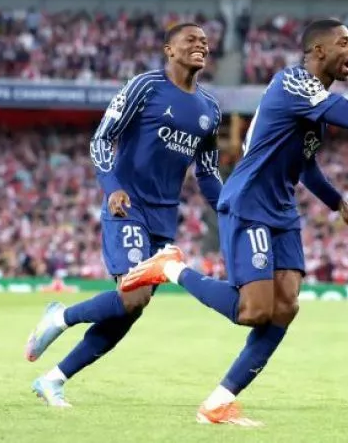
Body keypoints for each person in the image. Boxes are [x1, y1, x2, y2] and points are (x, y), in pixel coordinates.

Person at [122, 19, 348, 425]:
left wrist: (341, 206)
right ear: (319, 51)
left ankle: (218, 402)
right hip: (249, 202)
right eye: (345, 43)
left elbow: (305, 165)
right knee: (253, 311)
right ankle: (170, 267)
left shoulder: (317, 102)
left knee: (286, 306)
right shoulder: (293, 82)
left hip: (282, 210)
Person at [24, 23, 222, 407]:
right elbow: (102, 137)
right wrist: (112, 185)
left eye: (204, 41)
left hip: (165, 219)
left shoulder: (210, 108)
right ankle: (60, 317)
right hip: (127, 205)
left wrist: (230, 210)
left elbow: (209, 172)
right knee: (133, 296)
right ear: (169, 49)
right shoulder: (145, 87)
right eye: (191, 40)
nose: (201, 45)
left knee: (131, 310)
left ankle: (52, 379)